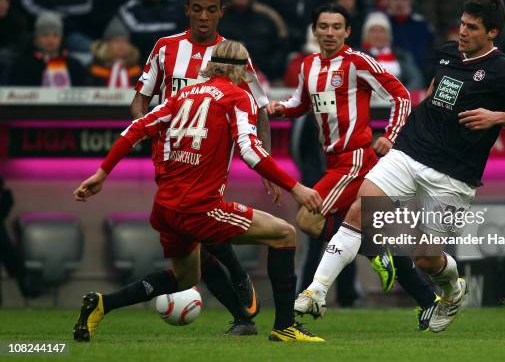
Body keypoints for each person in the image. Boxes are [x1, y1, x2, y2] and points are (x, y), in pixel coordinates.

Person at [294, 0, 505, 334]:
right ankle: (315, 292)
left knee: (426, 259)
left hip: (453, 174)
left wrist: (494, 116)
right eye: (462, 24)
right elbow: (434, 91)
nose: (463, 32)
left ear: (492, 33)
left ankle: (453, 291)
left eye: (472, 27)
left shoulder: (504, 71)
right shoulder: (445, 53)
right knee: (359, 211)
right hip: (410, 151)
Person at [72, 40, 324, 343]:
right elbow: (249, 149)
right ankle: (285, 326)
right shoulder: (237, 96)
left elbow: (135, 129)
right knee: (284, 234)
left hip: (166, 208)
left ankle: (102, 304)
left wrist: (102, 173)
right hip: (200, 207)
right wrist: (295, 187)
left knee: (185, 277)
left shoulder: (181, 95)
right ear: (242, 69)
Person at [268, 4, 439, 330]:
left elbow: (401, 96)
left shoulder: (356, 62)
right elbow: (302, 103)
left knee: (308, 217)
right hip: (333, 162)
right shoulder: (308, 66)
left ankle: (360, 265)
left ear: (347, 32)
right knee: (384, 236)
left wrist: (390, 135)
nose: (329, 33)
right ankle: (427, 300)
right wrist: (281, 110)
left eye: (336, 27)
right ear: (314, 31)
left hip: (356, 160)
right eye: (324, 26)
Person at [130, 0, 274, 335]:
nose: (204, 17)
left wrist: (266, 164)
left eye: (212, 10)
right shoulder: (165, 48)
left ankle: (239, 290)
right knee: (192, 235)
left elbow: (261, 109)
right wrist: (136, 129)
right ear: (187, 10)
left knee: (195, 227)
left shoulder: (232, 53)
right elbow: (141, 96)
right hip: (167, 158)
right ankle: (242, 311)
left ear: (222, 12)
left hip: (209, 159)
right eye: (197, 9)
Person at [219, 0, 290, 81]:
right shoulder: (217, 19)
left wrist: (266, 71)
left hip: (266, 80)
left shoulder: (268, 18)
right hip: (223, 79)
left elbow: (281, 48)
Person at [116, 0, 185, 64]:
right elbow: (139, 37)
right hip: (142, 68)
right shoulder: (129, 9)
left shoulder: (179, 6)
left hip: (176, 65)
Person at [8, 12, 87, 87]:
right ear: (36, 39)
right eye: (45, 35)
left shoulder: (74, 66)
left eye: (55, 35)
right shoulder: (23, 65)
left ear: (61, 38)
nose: (50, 40)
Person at [360, 11, 424, 89]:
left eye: (382, 31)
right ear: (367, 35)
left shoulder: (401, 55)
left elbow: (416, 79)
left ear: (388, 34)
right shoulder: (359, 56)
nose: (378, 35)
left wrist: (403, 94)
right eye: (373, 31)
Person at [89, 18, 141, 88]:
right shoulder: (95, 67)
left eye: (125, 41)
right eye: (116, 41)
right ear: (107, 44)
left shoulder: (137, 68)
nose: (121, 45)